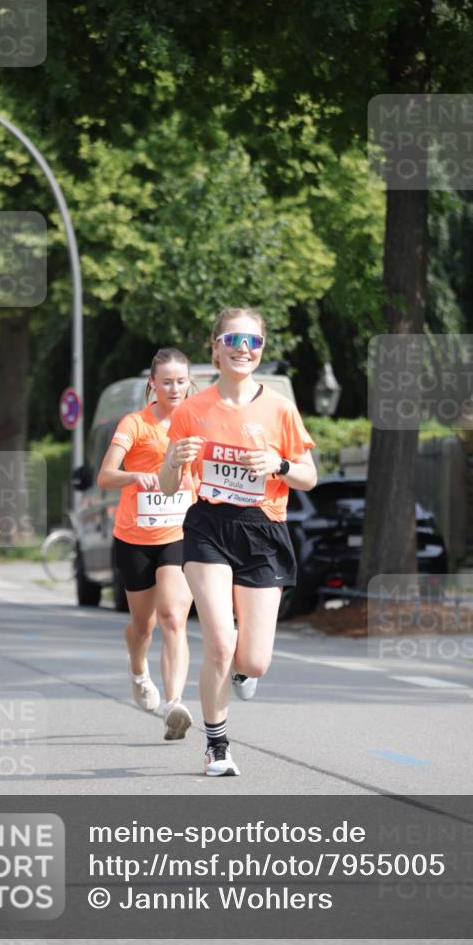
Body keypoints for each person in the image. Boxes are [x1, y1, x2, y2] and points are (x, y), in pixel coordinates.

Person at [160, 308, 317, 776]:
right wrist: (174, 459)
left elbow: (308, 477)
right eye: (234, 340)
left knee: (254, 659)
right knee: (221, 643)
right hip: (208, 525)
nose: (243, 349)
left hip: (263, 530)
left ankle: (246, 672)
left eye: (253, 341)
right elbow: (170, 485)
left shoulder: (280, 408)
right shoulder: (192, 409)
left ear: (262, 349)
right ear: (216, 347)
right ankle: (217, 745)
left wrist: (279, 465)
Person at [97, 348, 196, 740]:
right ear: (152, 384)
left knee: (173, 616)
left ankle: (174, 704)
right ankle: (138, 670)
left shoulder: (198, 422)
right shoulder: (135, 423)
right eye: (166, 381)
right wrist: (135, 476)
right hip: (135, 536)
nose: (174, 388)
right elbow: (105, 475)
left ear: (190, 382)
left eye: (180, 380)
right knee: (144, 624)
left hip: (180, 532)